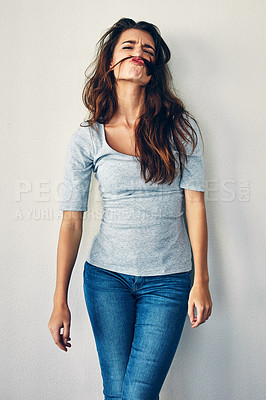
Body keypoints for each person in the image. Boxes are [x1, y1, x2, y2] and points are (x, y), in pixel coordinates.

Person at [48, 17, 212, 400]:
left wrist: (201, 280)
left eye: (148, 50)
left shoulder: (181, 128)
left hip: (169, 281)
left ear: (153, 70)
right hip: (106, 280)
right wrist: (60, 299)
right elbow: (72, 220)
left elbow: (195, 203)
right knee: (117, 393)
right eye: (129, 47)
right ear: (110, 63)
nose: (139, 53)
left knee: (136, 395)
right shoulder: (87, 138)